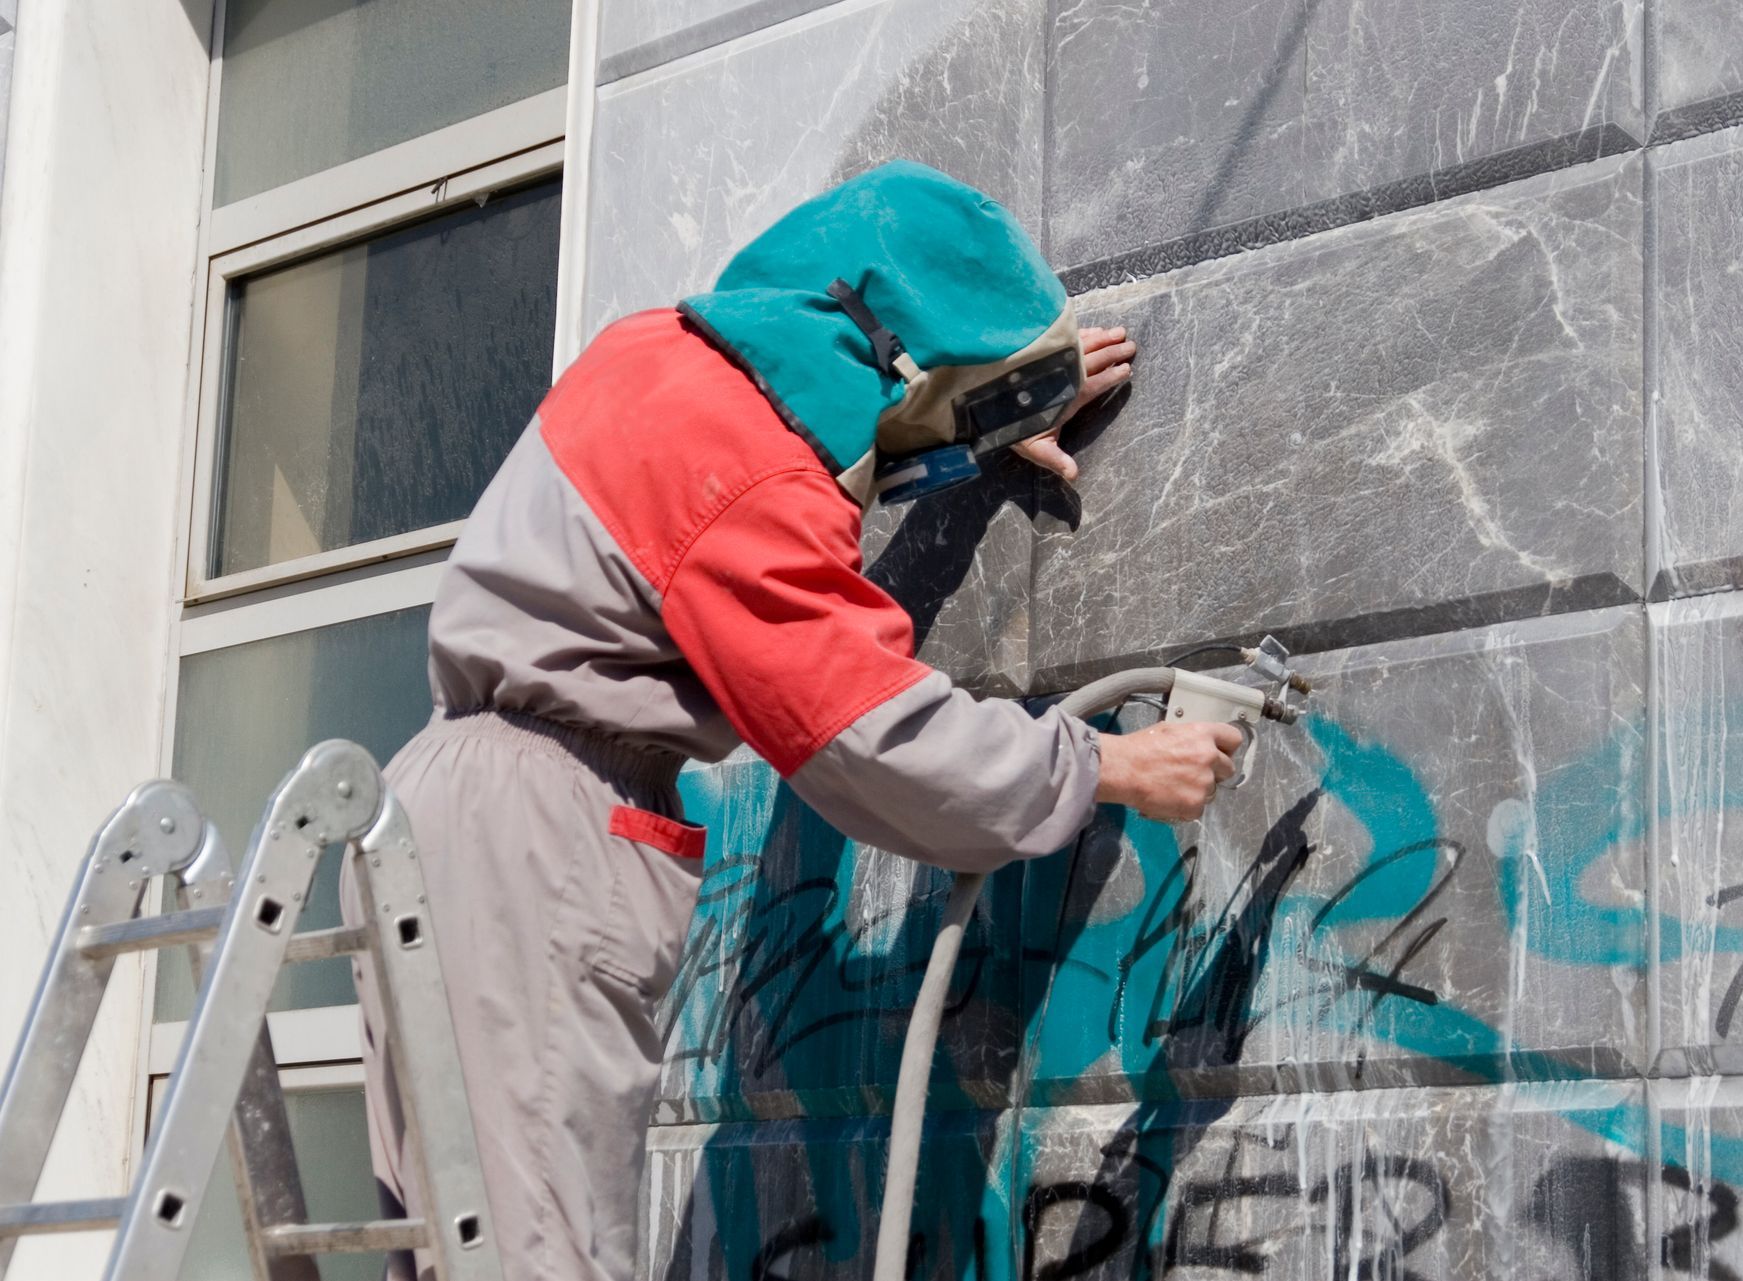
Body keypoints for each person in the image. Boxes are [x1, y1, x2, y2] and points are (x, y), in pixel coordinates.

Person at [343, 161, 1243, 1281]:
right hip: (534, 848)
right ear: (906, 363)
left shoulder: (657, 357)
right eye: (965, 396)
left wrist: (964, 427)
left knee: (459, 1245)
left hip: (440, 816)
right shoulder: (748, 476)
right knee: (536, 1252)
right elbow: (866, 731)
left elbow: (783, 481)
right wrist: (1105, 765)